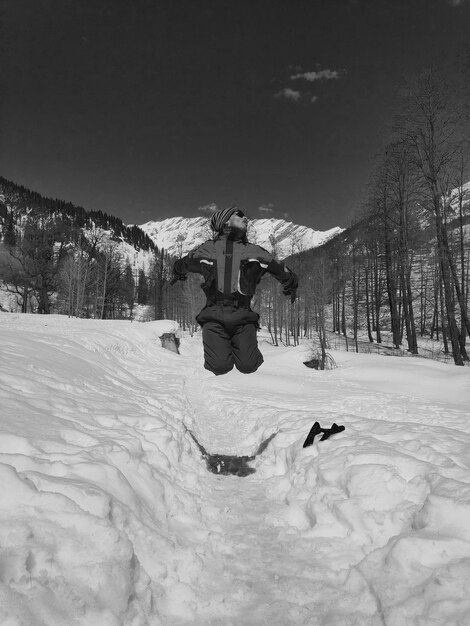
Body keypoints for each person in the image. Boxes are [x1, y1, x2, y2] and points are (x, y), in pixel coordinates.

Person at [171, 206, 298, 375]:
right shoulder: (207, 249)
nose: (245, 218)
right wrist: (177, 272)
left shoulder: (255, 251)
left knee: (248, 366)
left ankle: (241, 351)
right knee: (219, 366)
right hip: (213, 316)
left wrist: (291, 283)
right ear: (225, 222)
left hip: (243, 317)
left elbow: (280, 268)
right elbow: (184, 263)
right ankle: (222, 350)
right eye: (239, 216)